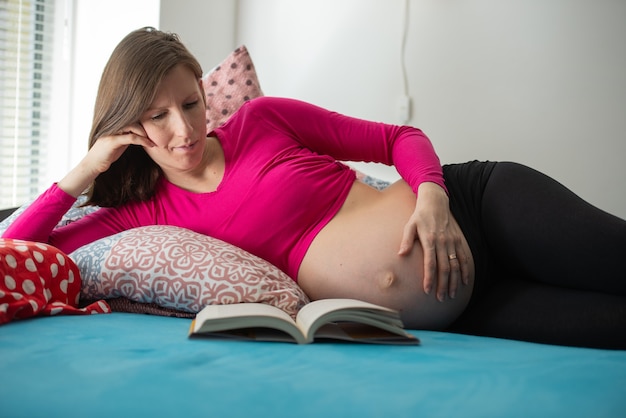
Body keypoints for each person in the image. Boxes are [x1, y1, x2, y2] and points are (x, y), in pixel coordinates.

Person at [3, 27, 625, 349]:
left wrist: (433, 196)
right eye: (157, 117)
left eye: (190, 103)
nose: (185, 128)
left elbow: (396, 138)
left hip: (476, 208)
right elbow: (17, 252)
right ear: (128, 127)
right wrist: (86, 170)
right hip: (464, 314)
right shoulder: (144, 214)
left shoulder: (262, 120)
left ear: (202, 89)